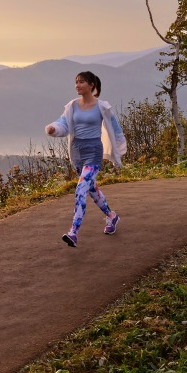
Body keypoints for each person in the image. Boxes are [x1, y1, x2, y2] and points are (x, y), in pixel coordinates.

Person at [44, 70, 127, 247]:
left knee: (81, 189)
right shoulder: (72, 106)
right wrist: (53, 129)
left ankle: (73, 232)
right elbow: (63, 123)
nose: (77, 85)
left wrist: (119, 150)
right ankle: (111, 216)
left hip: (93, 151)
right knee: (92, 189)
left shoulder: (102, 107)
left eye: (81, 82)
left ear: (91, 85)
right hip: (76, 151)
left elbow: (116, 129)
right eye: (76, 82)